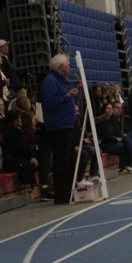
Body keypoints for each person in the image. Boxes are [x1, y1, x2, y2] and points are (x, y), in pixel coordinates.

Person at [39, 53, 78, 205]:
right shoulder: (50, 81)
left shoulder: (60, 80)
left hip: (66, 125)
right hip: (58, 127)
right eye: (68, 65)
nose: (69, 67)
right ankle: (61, 195)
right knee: (61, 161)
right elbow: (51, 103)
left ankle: (68, 191)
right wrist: (68, 97)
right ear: (61, 66)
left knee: (68, 161)